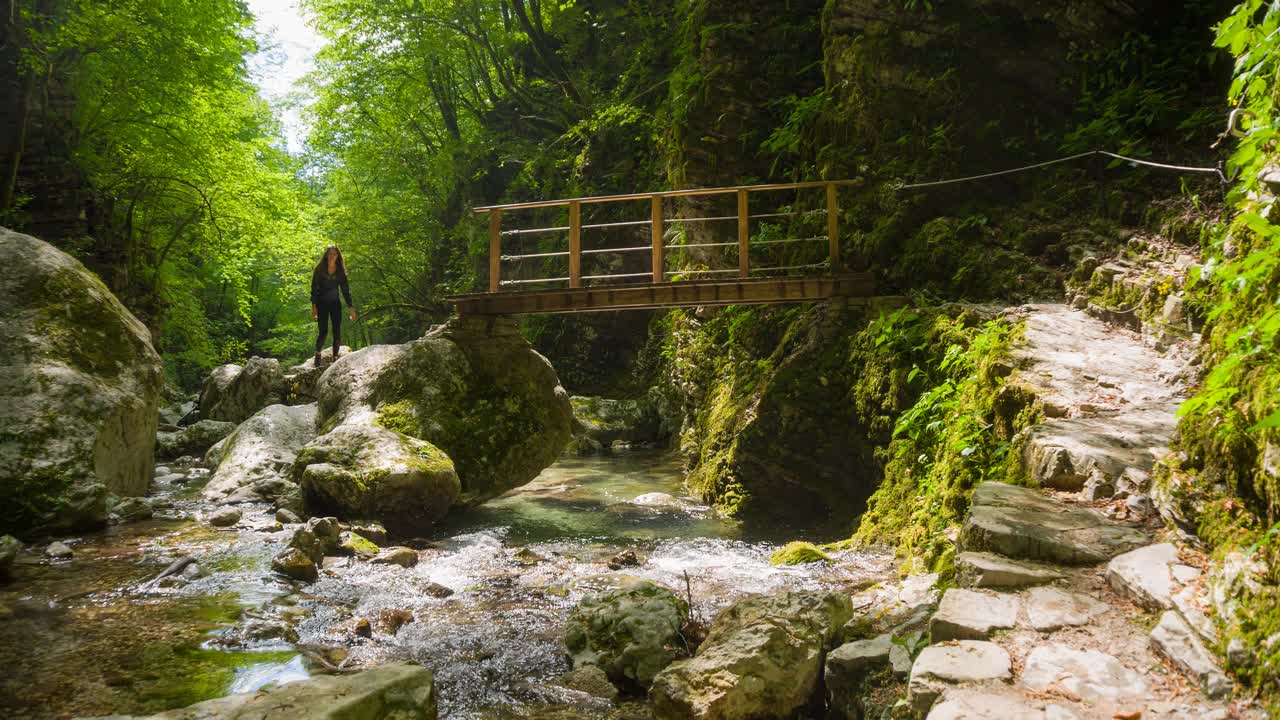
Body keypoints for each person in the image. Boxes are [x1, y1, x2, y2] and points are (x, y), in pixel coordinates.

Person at [311, 245, 356, 366]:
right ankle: (318, 354)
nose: (332, 256)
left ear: (338, 256)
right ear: (326, 255)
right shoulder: (319, 269)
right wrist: (314, 307)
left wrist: (351, 308)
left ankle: (335, 358)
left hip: (335, 304)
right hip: (321, 304)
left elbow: (346, 290)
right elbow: (314, 289)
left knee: (337, 331)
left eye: (334, 254)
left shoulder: (340, 270)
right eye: (330, 254)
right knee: (323, 331)